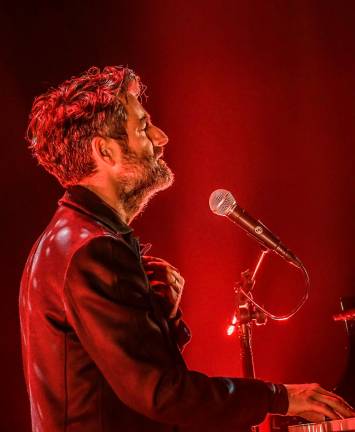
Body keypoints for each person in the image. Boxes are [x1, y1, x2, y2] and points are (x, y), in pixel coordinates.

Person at [19, 66, 355, 432]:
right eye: (143, 128)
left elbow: (126, 382)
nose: (161, 138)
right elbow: (164, 395)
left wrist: (160, 315)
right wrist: (282, 397)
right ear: (105, 151)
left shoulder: (61, 241)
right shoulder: (95, 251)